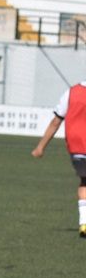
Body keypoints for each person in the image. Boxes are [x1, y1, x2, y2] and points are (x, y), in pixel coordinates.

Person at [31, 80, 86, 238]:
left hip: (76, 147)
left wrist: (40, 147)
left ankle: (84, 222)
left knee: (84, 180)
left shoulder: (71, 92)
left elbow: (56, 122)